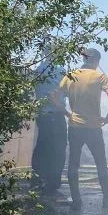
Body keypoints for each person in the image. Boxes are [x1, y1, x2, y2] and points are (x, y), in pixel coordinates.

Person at [54, 48, 108, 210]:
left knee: (73, 164)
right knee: (101, 164)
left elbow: (53, 96)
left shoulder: (71, 75)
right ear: (97, 61)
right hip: (93, 127)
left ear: (83, 59)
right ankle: (107, 198)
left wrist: (66, 113)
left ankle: (76, 201)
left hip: (75, 126)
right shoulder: (99, 76)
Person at [31, 46, 67, 195]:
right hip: (55, 113)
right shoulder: (59, 69)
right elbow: (64, 91)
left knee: (42, 146)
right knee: (58, 148)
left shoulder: (39, 68)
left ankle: (37, 180)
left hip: (42, 114)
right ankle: (53, 182)